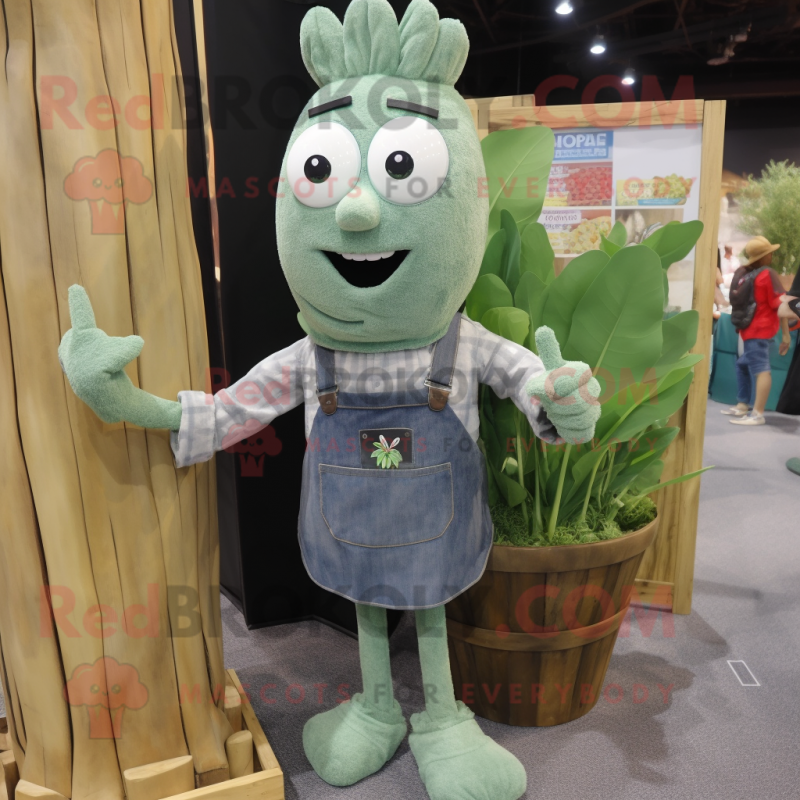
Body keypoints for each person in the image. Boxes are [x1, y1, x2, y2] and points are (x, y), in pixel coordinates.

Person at [722, 236, 791, 426]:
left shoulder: (748, 274)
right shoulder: (767, 274)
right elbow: (781, 305)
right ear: (766, 256)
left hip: (751, 329)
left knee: (754, 366)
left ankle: (751, 409)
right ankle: (754, 412)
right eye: (770, 252)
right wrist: (786, 334)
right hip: (760, 329)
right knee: (757, 368)